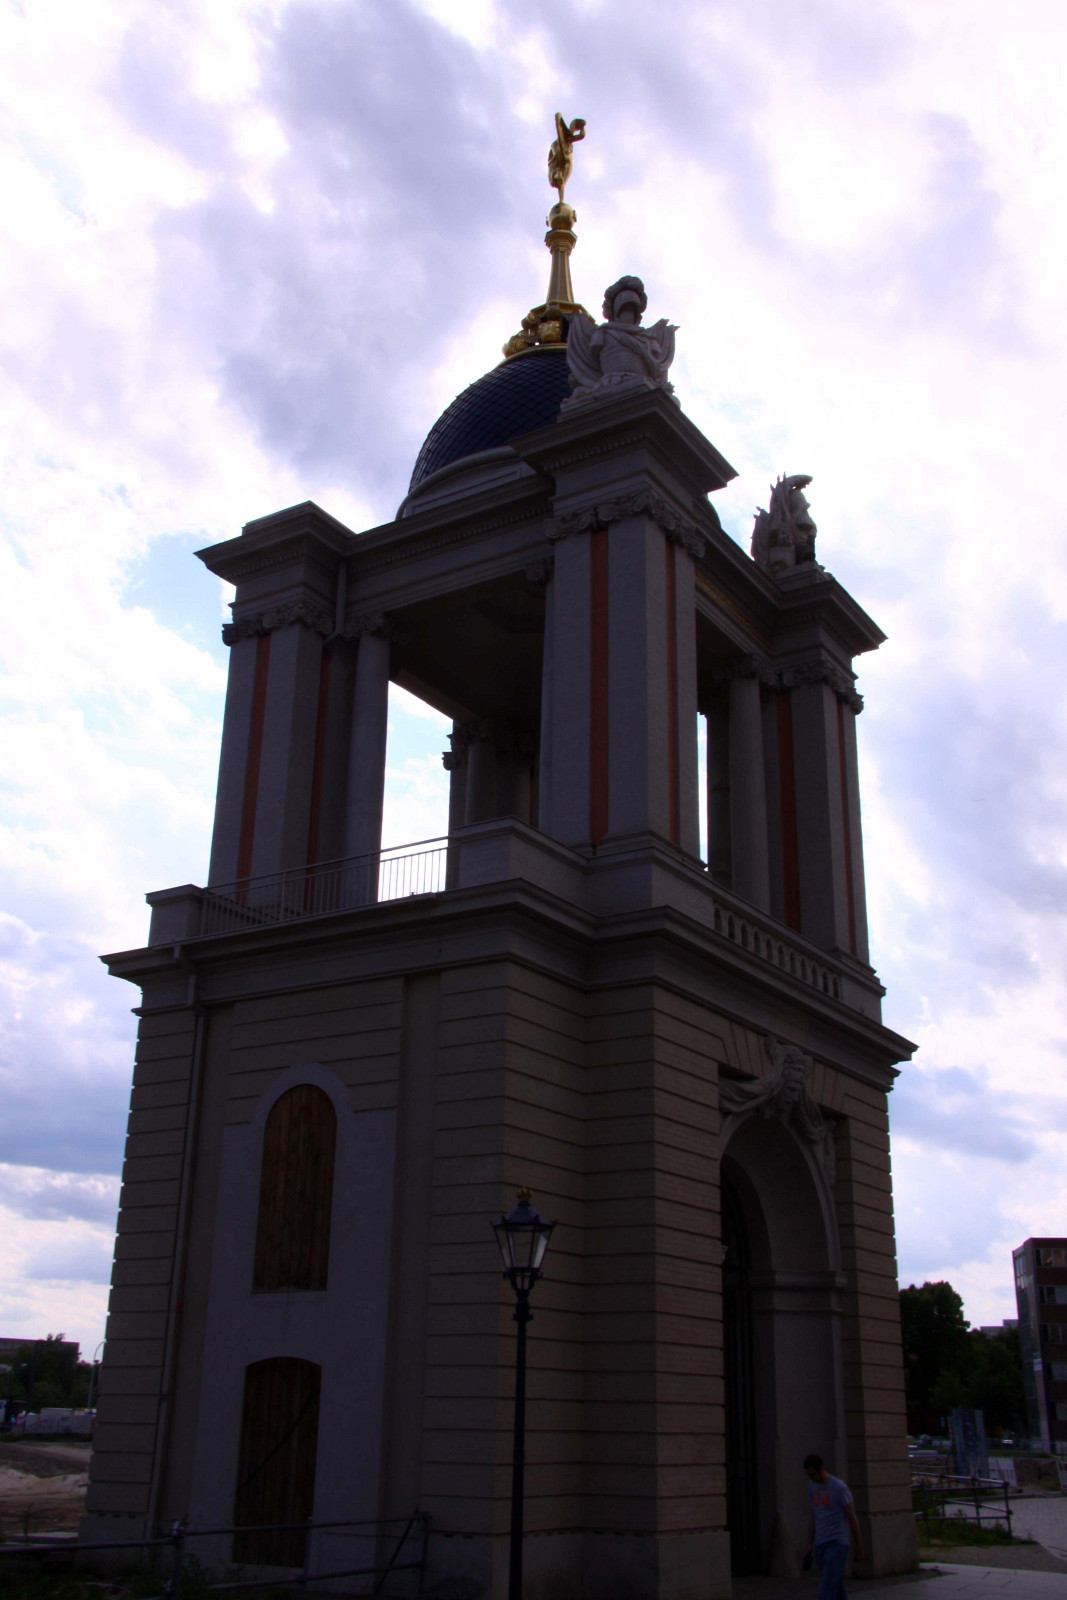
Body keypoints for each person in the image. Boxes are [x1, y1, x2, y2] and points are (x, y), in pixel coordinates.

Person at [803, 1454, 865, 1598]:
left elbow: (852, 1517)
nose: (811, 1478)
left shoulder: (839, 1488)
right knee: (836, 1585)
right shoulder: (813, 1486)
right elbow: (813, 1516)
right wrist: (809, 1543)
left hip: (837, 1542)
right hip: (821, 1543)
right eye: (808, 1475)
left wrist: (859, 1547)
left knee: (827, 1587)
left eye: (813, 1474)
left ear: (821, 1470)